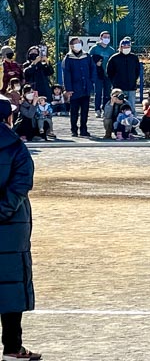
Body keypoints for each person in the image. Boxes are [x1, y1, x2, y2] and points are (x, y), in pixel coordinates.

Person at [0, 95, 40, 361]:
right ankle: (12, 348)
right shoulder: (17, 148)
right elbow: (20, 186)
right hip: (11, 228)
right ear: (8, 117)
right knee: (11, 286)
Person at [62, 36, 95, 138]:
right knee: (74, 111)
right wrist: (68, 89)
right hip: (74, 90)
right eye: (75, 43)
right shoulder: (68, 58)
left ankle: (84, 129)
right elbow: (66, 75)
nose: (78, 45)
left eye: (79, 43)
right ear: (71, 46)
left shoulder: (87, 56)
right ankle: (74, 130)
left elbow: (92, 69)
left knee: (85, 111)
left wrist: (91, 82)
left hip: (85, 88)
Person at [105, 38, 141, 111]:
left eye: (128, 47)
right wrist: (115, 82)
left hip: (131, 87)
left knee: (131, 107)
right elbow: (109, 72)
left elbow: (137, 71)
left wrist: (134, 80)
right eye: (124, 47)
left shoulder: (134, 58)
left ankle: (132, 121)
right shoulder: (114, 58)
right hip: (118, 87)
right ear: (120, 47)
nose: (126, 48)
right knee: (117, 107)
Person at [89, 32, 115, 116]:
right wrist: (95, 63)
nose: (106, 38)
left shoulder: (111, 50)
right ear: (101, 38)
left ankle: (105, 109)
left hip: (107, 74)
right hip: (97, 74)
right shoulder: (94, 48)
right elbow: (89, 59)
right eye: (105, 37)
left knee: (107, 93)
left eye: (108, 37)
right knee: (98, 92)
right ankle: (97, 109)